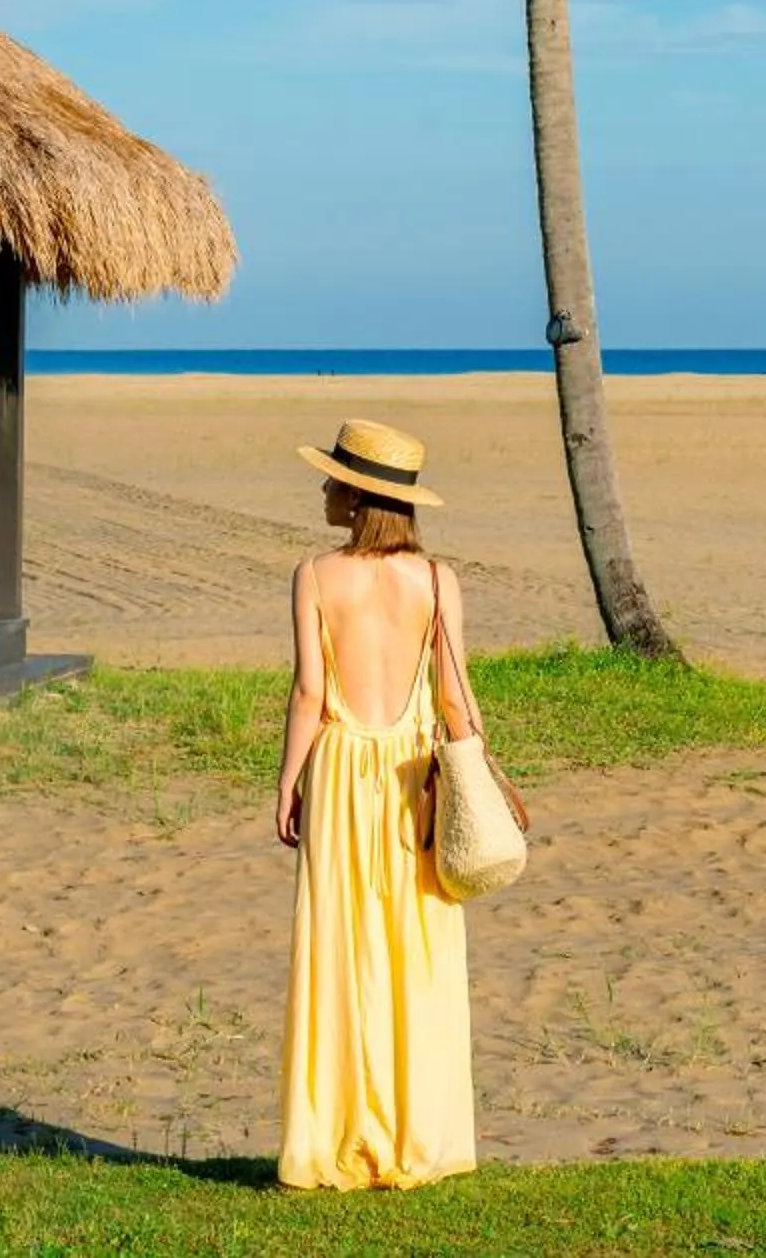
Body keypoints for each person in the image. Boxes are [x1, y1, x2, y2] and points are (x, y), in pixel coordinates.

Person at [275, 418, 477, 1190]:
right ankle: (417, 1136)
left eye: (334, 479)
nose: (324, 489)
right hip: (412, 773)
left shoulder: (315, 576)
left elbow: (310, 693)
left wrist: (288, 780)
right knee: (414, 954)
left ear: (358, 498)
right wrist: (472, 772)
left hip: (340, 772)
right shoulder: (437, 580)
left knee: (340, 950)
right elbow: (455, 698)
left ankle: (338, 1136)